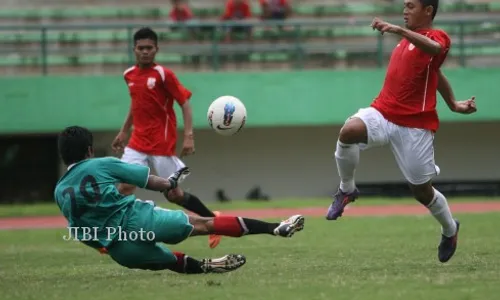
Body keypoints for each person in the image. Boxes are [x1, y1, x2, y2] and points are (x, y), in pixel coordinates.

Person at [326, 0, 477, 263]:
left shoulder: (436, 37)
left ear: (428, 10)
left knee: (422, 192)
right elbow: (434, 74)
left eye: (411, 6)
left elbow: (435, 52)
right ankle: (347, 189)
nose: (405, 10)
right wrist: (453, 103)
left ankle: (450, 229)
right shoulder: (408, 40)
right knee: (349, 131)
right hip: (383, 112)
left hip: (415, 126)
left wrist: (397, 29)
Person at [55, 126, 305, 274]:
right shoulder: (102, 164)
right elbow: (152, 182)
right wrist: (170, 182)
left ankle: (206, 267)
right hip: (140, 220)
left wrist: (102, 245)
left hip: (121, 250)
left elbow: (78, 230)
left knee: (167, 260)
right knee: (204, 224)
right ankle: (275, 228)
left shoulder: (59, 191)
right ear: (89, 150)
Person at [111, 27, 223, 249]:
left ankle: (214, 221)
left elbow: (185, 103)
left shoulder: (163, 74)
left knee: (174, 195)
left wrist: (189, 136)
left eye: (149, 48)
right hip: (136, 143)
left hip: (161, 144)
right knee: (124, 187)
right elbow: (136, 105)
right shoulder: (129, 75)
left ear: (156, 49)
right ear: (134, 50)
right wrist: (124, 130)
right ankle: (114, 235)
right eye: (141, 48)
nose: (145, 52)